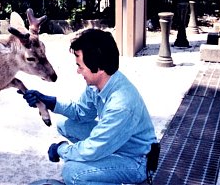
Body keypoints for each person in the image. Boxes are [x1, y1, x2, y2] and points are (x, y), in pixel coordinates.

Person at [21, 28, 158, 185]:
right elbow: (81, 113)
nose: (78, 71)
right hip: (118, 143)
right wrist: (50, 102)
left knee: (73, 172)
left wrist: (61, 149)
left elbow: (93, 149)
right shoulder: (98, 83)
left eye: (80, 66)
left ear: (98, 68)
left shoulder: (121, 104)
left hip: (138, 161)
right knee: (64, 125)